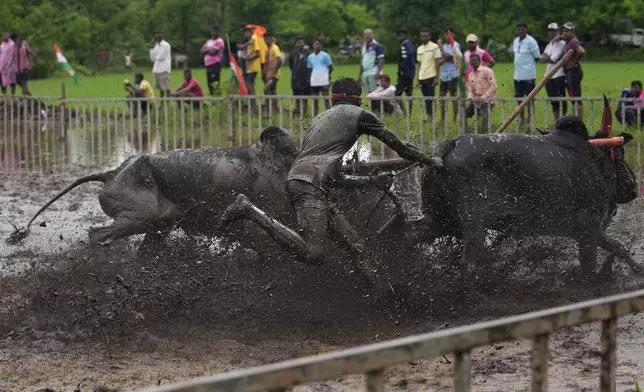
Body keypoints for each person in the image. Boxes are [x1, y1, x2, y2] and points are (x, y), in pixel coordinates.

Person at [217, 77, 435, 289]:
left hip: (308, 184)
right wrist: (427, 159)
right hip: (309, 185)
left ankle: (384, 295)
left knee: (357, 247)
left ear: (333, 99)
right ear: (357, 99)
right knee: (314, 253)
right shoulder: (360, 115)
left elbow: (334, 177)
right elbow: (397, 145)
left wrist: (371, 180)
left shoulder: (319, 119)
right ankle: (249, 210)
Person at [509, 23, 541, 128]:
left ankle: (530, 120)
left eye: (522, 29)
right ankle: (522, 119)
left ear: (526, 30)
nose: (520, 31)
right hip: (517, 76)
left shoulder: (531, 41)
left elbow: (537, 57)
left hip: (529, 76)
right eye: (518, 30)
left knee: (530, 99)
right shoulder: (515, 41)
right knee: (519, 99)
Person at [540, 23, 567, 119]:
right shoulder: (549, 44)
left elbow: (553, 59)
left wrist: (546, 58)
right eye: (550, 31)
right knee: (553, 101)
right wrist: (547, 58)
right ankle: (557, 121)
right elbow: (541, 59)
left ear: (558, 31)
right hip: (548, 75)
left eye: (554, 30)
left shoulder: (562, 43)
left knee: (561, 100)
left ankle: (562, 120)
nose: (552, 33)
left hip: (559, 74)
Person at [466, 53, 497, 129]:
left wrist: (484, 97)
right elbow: (470, 89)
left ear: (480, 61)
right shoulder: (471, 75)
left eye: (475, 60)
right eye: (471, 61)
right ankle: (465, 131)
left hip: (488, 100)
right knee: (464, 113)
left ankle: (485, 134)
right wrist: (470, 97)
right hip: (476, 100)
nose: (473, 62)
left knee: (485, 117)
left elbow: (494, 86)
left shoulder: (487, 71)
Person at [437, 28, 461, 123]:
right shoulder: (445, 46)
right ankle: (442, 119)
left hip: (452, 75)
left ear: (453, 35)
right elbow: (442, 58)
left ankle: (454, 119)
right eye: (446, 34)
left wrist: (440, 46)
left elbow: (449, 57)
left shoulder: (455, 45)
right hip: (444, 76)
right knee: (442, 97)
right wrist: (444, 58)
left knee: (453, 97)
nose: (448, 36)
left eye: (450, 34)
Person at [561, 22, 585, 119]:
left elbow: (581, 51)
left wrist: (574, 62)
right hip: (570, 72)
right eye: (563, 31)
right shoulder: (568, 41)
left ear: (572, 31)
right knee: (572, 97)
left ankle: (579, 120)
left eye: (567, 31)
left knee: (576, 97)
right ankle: (575, 117)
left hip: (574, 71)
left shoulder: (573, 41)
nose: (564, 33)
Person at [415, 28, 441, 117]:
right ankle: (429, 116)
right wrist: (417, 79)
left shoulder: (435, 47)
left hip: (431, 76)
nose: (424, 38)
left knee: (430, 98)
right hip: (422, 77)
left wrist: (437, 78)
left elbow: (438, 63)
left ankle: (432, 117)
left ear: (429, 36)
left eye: (426, 36)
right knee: (426, 98)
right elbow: (419, 64)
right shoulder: (419, 49)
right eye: (422, 36)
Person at [307, 39, 333, 115]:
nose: (317, 46)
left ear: (321, 46)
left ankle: (329, 115)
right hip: (314, 81)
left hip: (324, 81)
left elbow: (331, 68)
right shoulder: (310, 57)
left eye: (319, 44)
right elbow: (310, 68)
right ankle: (315, 116)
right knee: (315, 100)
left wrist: (326, 75)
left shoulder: (325, 55)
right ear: (313, 45)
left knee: (326, 99)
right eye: (316, 44)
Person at [201, 24, 225, 96]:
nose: (214, 33)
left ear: (218, 32)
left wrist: (207, 49)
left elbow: (213, 53)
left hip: (215, 64)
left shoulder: (219, 41)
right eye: (213, 31)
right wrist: (209, 49)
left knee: (215, 82)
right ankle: (213, 98)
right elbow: (201, 51)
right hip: (208, 65)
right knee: (209, 83)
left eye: (215, 31)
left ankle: (218, 98)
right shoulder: (209, 41)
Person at [289, 37, 310, 115]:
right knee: (296, 96)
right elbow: (291, 65)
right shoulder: (292, 54)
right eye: (298, 42)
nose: (300, 44)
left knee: (305, 97)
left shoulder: (308, 54)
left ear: (304, 44)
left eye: (301, 42)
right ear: (296, 44)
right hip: (295, 78)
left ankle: (304, 113)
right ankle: (297, 111)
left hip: (306, 78)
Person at [359, 29, 384, 94]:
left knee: (376, 94)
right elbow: (362, 61)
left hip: (374, 73)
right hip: (365, 74)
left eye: (369, 34)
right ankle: (372, 105)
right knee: (369, 94)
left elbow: (381, 59)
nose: (367, 36)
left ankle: (380, 104)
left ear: (372, 35)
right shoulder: (364, 47)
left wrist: (378, 72)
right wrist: (359, 75)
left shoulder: (377, 46)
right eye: (365, 35)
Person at [149, 31, 172, 97]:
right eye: (156, 37)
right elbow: (152, 59)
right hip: (157, 69)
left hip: (164, 69)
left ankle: (167, 104)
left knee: (167, 88)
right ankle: (162, 104)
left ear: (161, 37)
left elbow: (161, 57)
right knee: (161, 89)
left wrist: (156, 56)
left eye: (158, 37)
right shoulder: (156, 46)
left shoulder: (166, 45)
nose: (156, 38)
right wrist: (151, 48)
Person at [242, 26, 261, 96]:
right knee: (248, 85)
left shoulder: (254, 40)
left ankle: (253, 104)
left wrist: (248, 58)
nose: (246, 34)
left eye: (248, 32)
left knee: (249, 84)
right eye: (245, 33)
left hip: (253, 66)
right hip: (249, 67)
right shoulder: (249, 42)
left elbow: (258, 53)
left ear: (251, 33)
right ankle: (251, 103)